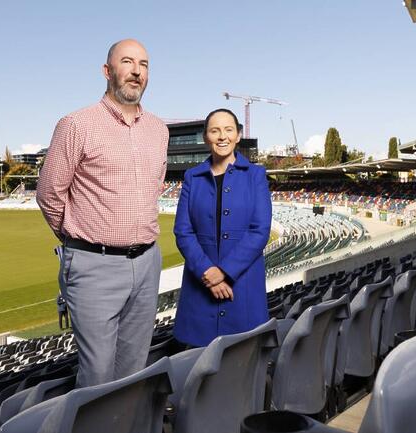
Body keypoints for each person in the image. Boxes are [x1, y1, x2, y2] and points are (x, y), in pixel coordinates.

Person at [37, 39, 169, 387]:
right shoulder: (76, 124)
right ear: (107, 71)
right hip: (94, 265)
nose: (137, 70)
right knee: (97, 377)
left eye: (144, 63)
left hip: (147, 262)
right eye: (127, 62)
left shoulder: (159, 130)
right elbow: (49, 194)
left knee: (134, 370)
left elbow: (154, 188)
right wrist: (81, 239)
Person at [172, 108, 272, 347]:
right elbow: (183, 231)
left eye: (228, 130)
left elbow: (260, 230)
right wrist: (208, 273)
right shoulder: (192, 177)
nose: (222, 136)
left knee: (241, 367)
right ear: (206, 137)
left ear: (238, 135)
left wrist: (224, 271)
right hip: (200, 289)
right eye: (215, 130)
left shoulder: (256, 175)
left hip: (243, 290)